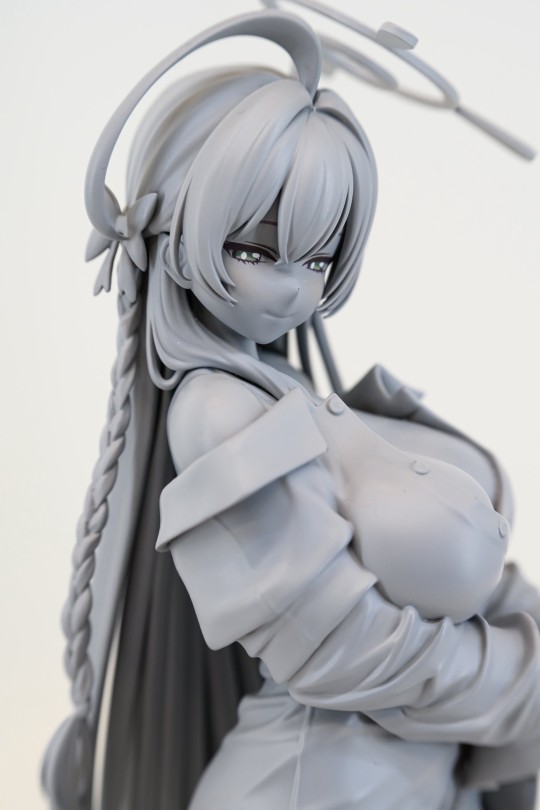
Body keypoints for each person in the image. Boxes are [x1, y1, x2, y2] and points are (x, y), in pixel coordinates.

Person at [43, 9, 540, 810]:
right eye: (253, 250)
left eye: (319, 257)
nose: (292, 288)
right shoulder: (216, 411)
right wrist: (518, 677)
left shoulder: (290, 389)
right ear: (179, 232)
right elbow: (337, 648)